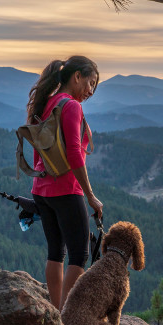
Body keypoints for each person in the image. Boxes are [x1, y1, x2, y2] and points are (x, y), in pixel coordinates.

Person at [27, 56, 103, 311]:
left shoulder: (47, 103)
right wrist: (90, 196)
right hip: (66, 189)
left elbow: (39, 149)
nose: (91, 91)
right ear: (76, 77)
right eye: (90, 83)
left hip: (42, 189)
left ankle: (56, 313)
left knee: (55, 252)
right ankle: (65, 316)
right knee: (79, 255)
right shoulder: (70, 106)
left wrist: (41, 181)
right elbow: (74, 153)